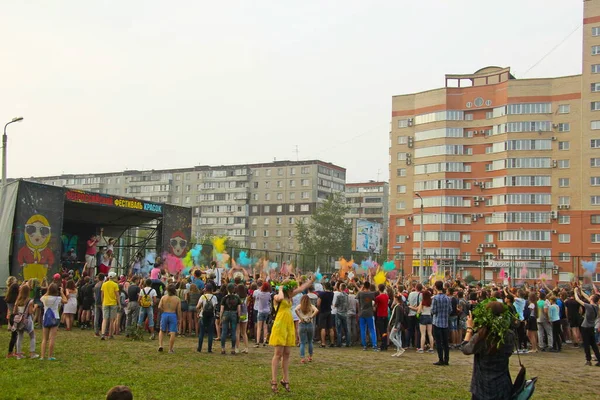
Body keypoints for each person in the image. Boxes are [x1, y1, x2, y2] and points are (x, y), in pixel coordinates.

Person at [462, 301, 515, 400]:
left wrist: (469, 328)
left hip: (482, 386)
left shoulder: (481, 336)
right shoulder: (509, 334)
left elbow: (465, 349)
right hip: (502, 385)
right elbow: (509, 352)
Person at [269, 277, 314, 393]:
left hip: (288, 325)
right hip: (280, 325)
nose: (293, 290)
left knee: (287, 353)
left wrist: (310, 281)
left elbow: (301, 288)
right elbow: (280, 297)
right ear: (286, 288)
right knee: (278, 354)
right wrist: (280, 289)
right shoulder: (277, 296)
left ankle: (285, 379)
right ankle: (274, 381)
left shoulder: (290, 296)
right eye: (291, 288)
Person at [40, 283, 68, 360]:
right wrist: (62, 292)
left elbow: (41, 298)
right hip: (55, 317)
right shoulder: (57, 298)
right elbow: (65, 301)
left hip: (45, 318)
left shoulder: (44, 298)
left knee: (44, 339)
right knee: (52, 338)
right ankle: (50, 356)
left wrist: (47, 291)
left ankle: (42, 356)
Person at [574, 287, 600, 366]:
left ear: (592, 299)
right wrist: (580, 290)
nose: (590, 297)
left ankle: (588, 360)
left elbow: (578, 300)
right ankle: (599, 359)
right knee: (593, 344)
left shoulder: (589, 307)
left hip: (585, 327)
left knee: (586, 344)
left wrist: (575, 292)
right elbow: (586, 297)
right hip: (591, 327)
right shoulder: (596, 307)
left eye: (591, 297)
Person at [13, 284, 38, 359]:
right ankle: (32, 353)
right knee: (32, 336)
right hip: (27, 320)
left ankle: (19, 354)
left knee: (20, 337)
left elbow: (14, 311)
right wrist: (35, 307)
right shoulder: (30, 301)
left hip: (19, 320)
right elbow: (30, 312)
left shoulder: (18, 300)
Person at [431, 280, 452, 366]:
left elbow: (433, 311)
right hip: (445, 322)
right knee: (445, 342)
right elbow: (450, 310)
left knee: (439, 342)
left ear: (436, 287)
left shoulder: (435, 298)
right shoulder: (447, 298)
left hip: (437, 322)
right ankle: (446, 359)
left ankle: (440, 359)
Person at [294, 294, 318, 363]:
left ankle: (302, 358)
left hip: (302, 324)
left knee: (302, 342)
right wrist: (311, 316)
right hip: (309, 324)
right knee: (310, 341)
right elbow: (316, 310)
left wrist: (300, 318)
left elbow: (296, 310)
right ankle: (310, 356)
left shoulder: (300, 306)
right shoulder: (310, 306)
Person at [157, 284, 181, 353]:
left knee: (162, 330)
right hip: (173, 314)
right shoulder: (177, 299)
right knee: (173, 332)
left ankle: (160, 345)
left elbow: (159, 307)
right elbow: (179, 310)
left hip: (165, 314)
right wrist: (179, 318)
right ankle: (170, 349)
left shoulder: (163, 297)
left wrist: (163, 310)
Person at [219, 283, 241, 355]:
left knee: (224, 331)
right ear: (234, 289)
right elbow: (239, 309)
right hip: (234, 314)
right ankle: (233, 349)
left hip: (225, 313)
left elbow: (221, 309)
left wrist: (220, 318)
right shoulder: (237, 298)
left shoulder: (224, 298)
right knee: (233, 332)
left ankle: (223, 348)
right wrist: (239, 316)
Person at [196, 283, 218, 353]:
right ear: (212, 289)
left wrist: (199, 311)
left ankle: (199, 348)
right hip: (211, 316)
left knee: (201, 333)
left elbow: (197, 306)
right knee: (210, 333)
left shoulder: (203, 296)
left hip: (203, 315)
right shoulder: (214, 297)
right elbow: (214, 307)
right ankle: (209, 349)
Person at [357, 281, 378, 351]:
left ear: (364, 286)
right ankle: (374, 345)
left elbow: (357, 296)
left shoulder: (360, 293)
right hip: (370, 313)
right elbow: (375, 301)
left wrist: (361, 288)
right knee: (372, 330)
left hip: (362, 313)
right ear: (369, 286)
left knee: (363, 330)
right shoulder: (372, 293)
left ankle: (364, 345)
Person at [101, 271, 120, 340]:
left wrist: (102, 301)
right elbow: (117, 295)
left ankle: (103, 334)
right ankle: (110, 334)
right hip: (113, 303)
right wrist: (119, 303)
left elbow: (102, 295)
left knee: (105, 319)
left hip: (105, 303)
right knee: (112, 320)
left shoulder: (104, 284)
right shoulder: (115, 285)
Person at [317, 282, 335, 348]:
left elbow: (318, 303)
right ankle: (332, 342)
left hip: (323, 311)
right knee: (330, 327)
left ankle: (323, 343)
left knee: (323, 327)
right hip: (329, 310)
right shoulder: (332, 294)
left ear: (324, 286)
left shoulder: (322, 294)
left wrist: (319, 309)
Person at [253, 282, 271, 347]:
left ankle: (257, 341)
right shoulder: (268, 294)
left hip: (260, 311)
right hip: (267, 311)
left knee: (259, 327)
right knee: (265, 327)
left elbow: (256, 298)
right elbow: (270, 300)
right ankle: (264, 341)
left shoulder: (259, 293)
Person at [5, 278, 19, 358]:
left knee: (15, 335)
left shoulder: (8, 298)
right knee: (15, 335)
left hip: (11, 317)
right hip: (16, 317)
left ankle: (16, 350)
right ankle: (11, 352)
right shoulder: (16, 300)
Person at [417, 289, 434, 354]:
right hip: (429, 316)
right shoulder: (431, 302)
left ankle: (421, 348)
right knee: (430, 333)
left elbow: (419, 311)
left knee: (423, 334)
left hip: (423, 316)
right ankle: (431, 348)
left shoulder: (422, 302)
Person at [333, 283, 350, 347]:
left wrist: (334, 305)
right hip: (345, 313)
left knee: (339, 329)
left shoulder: (339, 295)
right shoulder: (347, 295)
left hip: (339, 313)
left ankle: (339, 343)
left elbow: (336, 304)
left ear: (340, 288)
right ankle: (348, 342)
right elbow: (347, 304)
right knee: (346, 329)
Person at [406, 283, 423, 349]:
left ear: (415, 287)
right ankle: (418, 345)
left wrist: (411, 306)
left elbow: (408, 302)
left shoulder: (411, 294)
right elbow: (421, 304)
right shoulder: (421, 295)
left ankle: (407, 344)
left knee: (410, 329)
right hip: (417, 313)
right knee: (418, 330)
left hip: (410, 313)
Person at [374, 283, 389, 351]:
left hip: (380, 315)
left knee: (381, 331)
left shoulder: (378, 297)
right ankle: (385, 344)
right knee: (385, 330)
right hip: (385, 315)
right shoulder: (386, 296)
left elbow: (375, 305)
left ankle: (383, 344)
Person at [236, 284, 250, 354]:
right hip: (245, 315)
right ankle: (246, 348)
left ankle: (237, 348)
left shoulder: (236, 297)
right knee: (244, 332)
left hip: (238, 315)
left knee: (237, 332)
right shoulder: (247, 297)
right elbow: (247, 305)